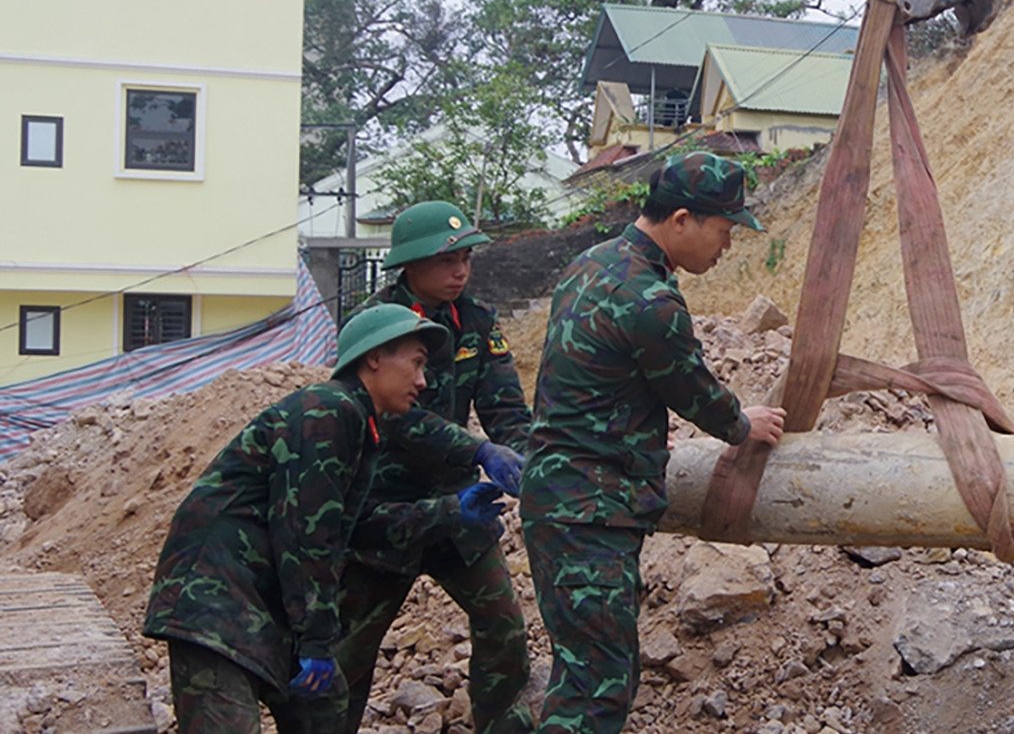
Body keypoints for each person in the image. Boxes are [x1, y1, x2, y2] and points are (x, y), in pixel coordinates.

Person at [522, 151, 787, 733]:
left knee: (586, 675)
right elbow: (691, 389)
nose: (727, 246)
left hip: (563, 503)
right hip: (588, 512)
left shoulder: (592, 264)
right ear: (683, 220)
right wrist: (745, 425)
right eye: (723, 230)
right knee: (597, 692)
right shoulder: (649, 299)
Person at [143, 305, 450, 733]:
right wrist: (318, 637)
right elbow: (307, 534)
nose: (423, 380)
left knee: (323, 710)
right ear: (375, 357)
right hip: (215, 599)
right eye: (416, 363)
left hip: (267, 603)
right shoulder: (327, 411)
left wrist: (453, 511)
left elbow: (353, 527)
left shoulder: (357, 423)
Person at [333, 200, 534, 734]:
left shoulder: (476, 321)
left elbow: (505, 407)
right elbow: (395, 421)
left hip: (462, 511)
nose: (461, 271)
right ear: (412, 264)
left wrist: (527, 456)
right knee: (349, 653)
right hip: (385, 512)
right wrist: (477, 451)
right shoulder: (376, 327)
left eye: (466, 258)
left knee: (505, 630)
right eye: (447, 261)